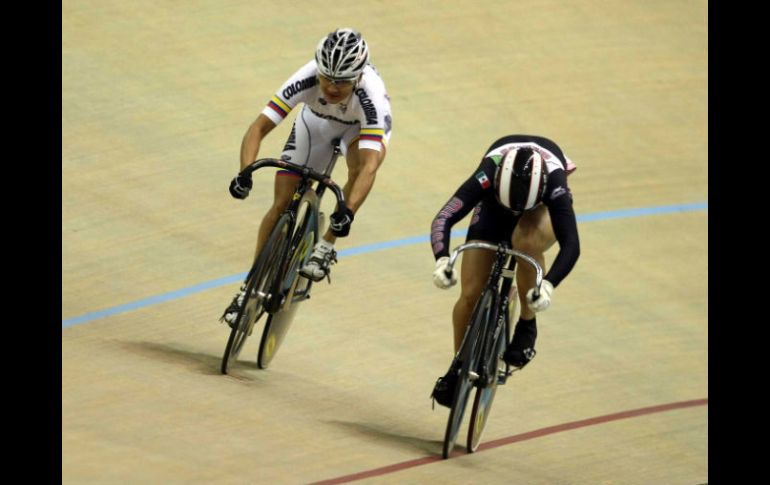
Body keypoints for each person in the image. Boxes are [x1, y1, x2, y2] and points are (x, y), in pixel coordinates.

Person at [221, 28, 392, 326]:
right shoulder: (306, 77)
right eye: (327, 77)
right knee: (281, 204)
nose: (332, 86)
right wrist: (245, 172)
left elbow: (369, 167)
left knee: (358, 165)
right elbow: (258, 128)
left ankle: (326, 244)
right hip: (315, 123)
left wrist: (347, 213)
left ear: (358, 77)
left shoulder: (371, 97)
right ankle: (249, 288)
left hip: (357, 129)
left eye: (342, 82)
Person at [428, 134, 580, 407]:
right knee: (470, 293)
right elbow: (444, 217)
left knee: (526, 240)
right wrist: (442, 259)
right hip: (493, 204)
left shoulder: (555, 185)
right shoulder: (487, 173)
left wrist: (547, 285)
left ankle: (527, 323)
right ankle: (458, 366)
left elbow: (572, 246)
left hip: (538, 210)